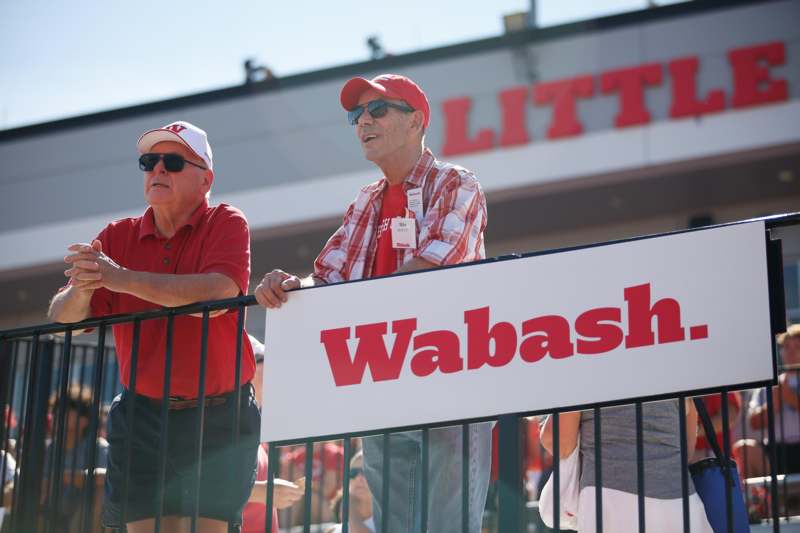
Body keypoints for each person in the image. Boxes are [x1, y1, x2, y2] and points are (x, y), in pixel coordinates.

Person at [255, 73, 492, 533]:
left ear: (416, 121)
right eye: (355, 114)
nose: (363, 120)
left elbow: (435, 268)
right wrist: (291, 286)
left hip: (450, 380)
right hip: (381, 383)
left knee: (447, 526)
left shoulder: (456, 183)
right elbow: (328, 277)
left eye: (378, 110)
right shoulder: (366, 200)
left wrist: (353, 299)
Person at [47, 120, 260, 533]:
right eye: (149, 161)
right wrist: (85, 287)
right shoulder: (117, 235)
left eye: (173, 162)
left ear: (205, 180)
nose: (158, 170)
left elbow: (216, 295)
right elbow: (62, 317)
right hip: (142, 412)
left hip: (219, 414)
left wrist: (117, 277)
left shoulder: (226, 221)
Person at [540, 401, 714, 533]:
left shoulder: (588, 364)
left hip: (609, 497)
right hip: (679, 499)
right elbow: (687, 448)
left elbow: (558, 440)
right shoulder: (672, 362)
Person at [243, 334, 304, 533]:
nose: (271, 369)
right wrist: (263, 492)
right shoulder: (224, 427)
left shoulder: (254, 432)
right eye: (261, 360)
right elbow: (195, 489)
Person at [43, 384, 109, 532]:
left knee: (101, 493)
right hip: (52, 512)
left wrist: (67, 477)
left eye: (65, 412)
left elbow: (109, 477)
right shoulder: (48, 450)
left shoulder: (98, 448)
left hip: (83, 514)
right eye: (55, 411)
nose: (56, 415)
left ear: (84, 420)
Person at [738, 324, 800, 477]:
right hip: (774, 450)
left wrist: (790, 398)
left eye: (797, 347)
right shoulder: (770, 384)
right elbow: (754, 423)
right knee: (744, 448)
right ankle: (761, 499)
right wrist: (775, 403)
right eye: (786, 347)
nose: (790, 352)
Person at [325, 450, 374, 533]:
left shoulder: (390, 524)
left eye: (366, 471)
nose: (359, 478)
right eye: (353, 472)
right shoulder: (333, 530)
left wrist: (351, 509)